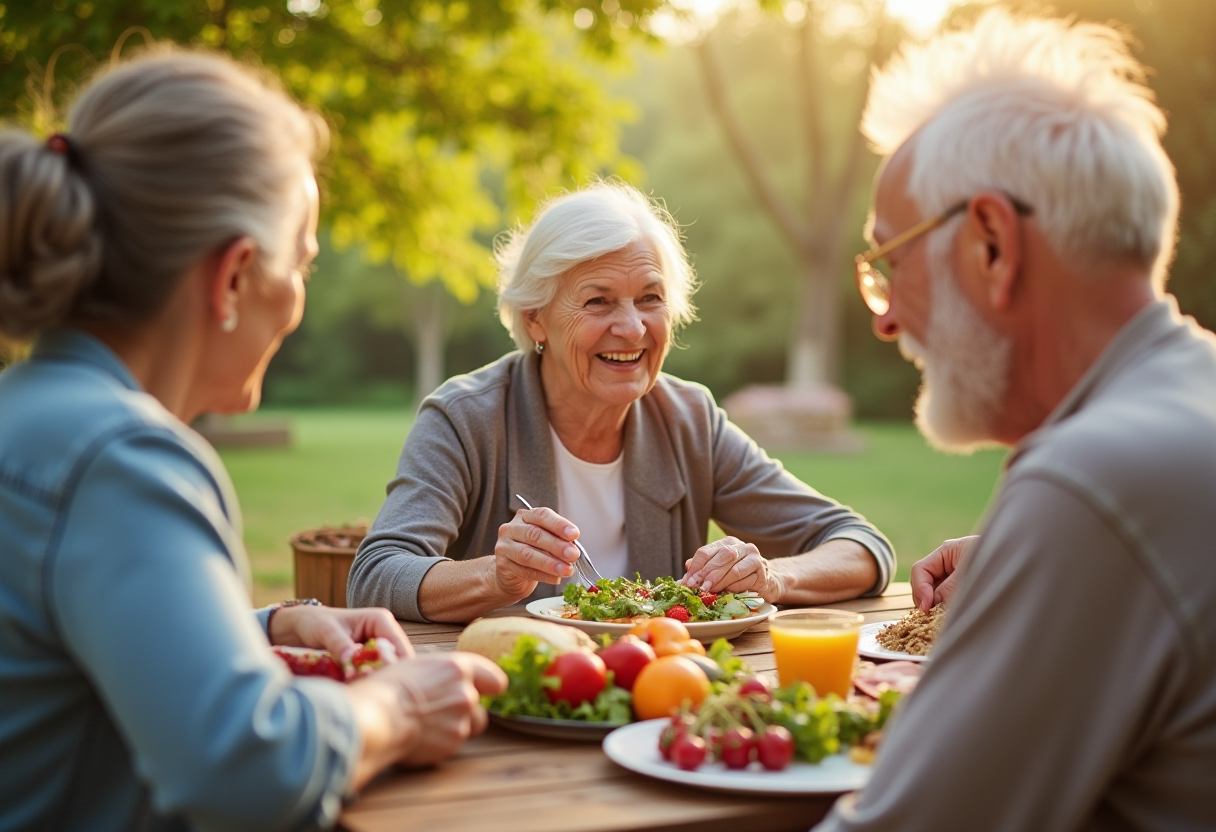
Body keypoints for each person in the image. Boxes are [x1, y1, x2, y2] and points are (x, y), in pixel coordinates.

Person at [0, 49, 505, 832]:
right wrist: (398, 705)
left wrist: (269, 627)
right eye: (300, 263)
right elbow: (248, 770)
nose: (299, 300)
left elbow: (66, 648)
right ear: (234, 277)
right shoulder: (122, 460)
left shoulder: (30, 416)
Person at [814, 10, 1216, 832]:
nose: (885, 322)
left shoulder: (1095, 481)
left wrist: (1058, 527)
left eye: (893, 263)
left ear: (991, 244)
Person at [347, 181, 894, 623]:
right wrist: (496, 577)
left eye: (650, 298)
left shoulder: (688, 419)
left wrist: (773, 577)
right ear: (535, 318)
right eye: (598, 301)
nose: (631, 329)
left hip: (664, 695)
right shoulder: (466, 418)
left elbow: (862, 546)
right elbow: (375, 575)